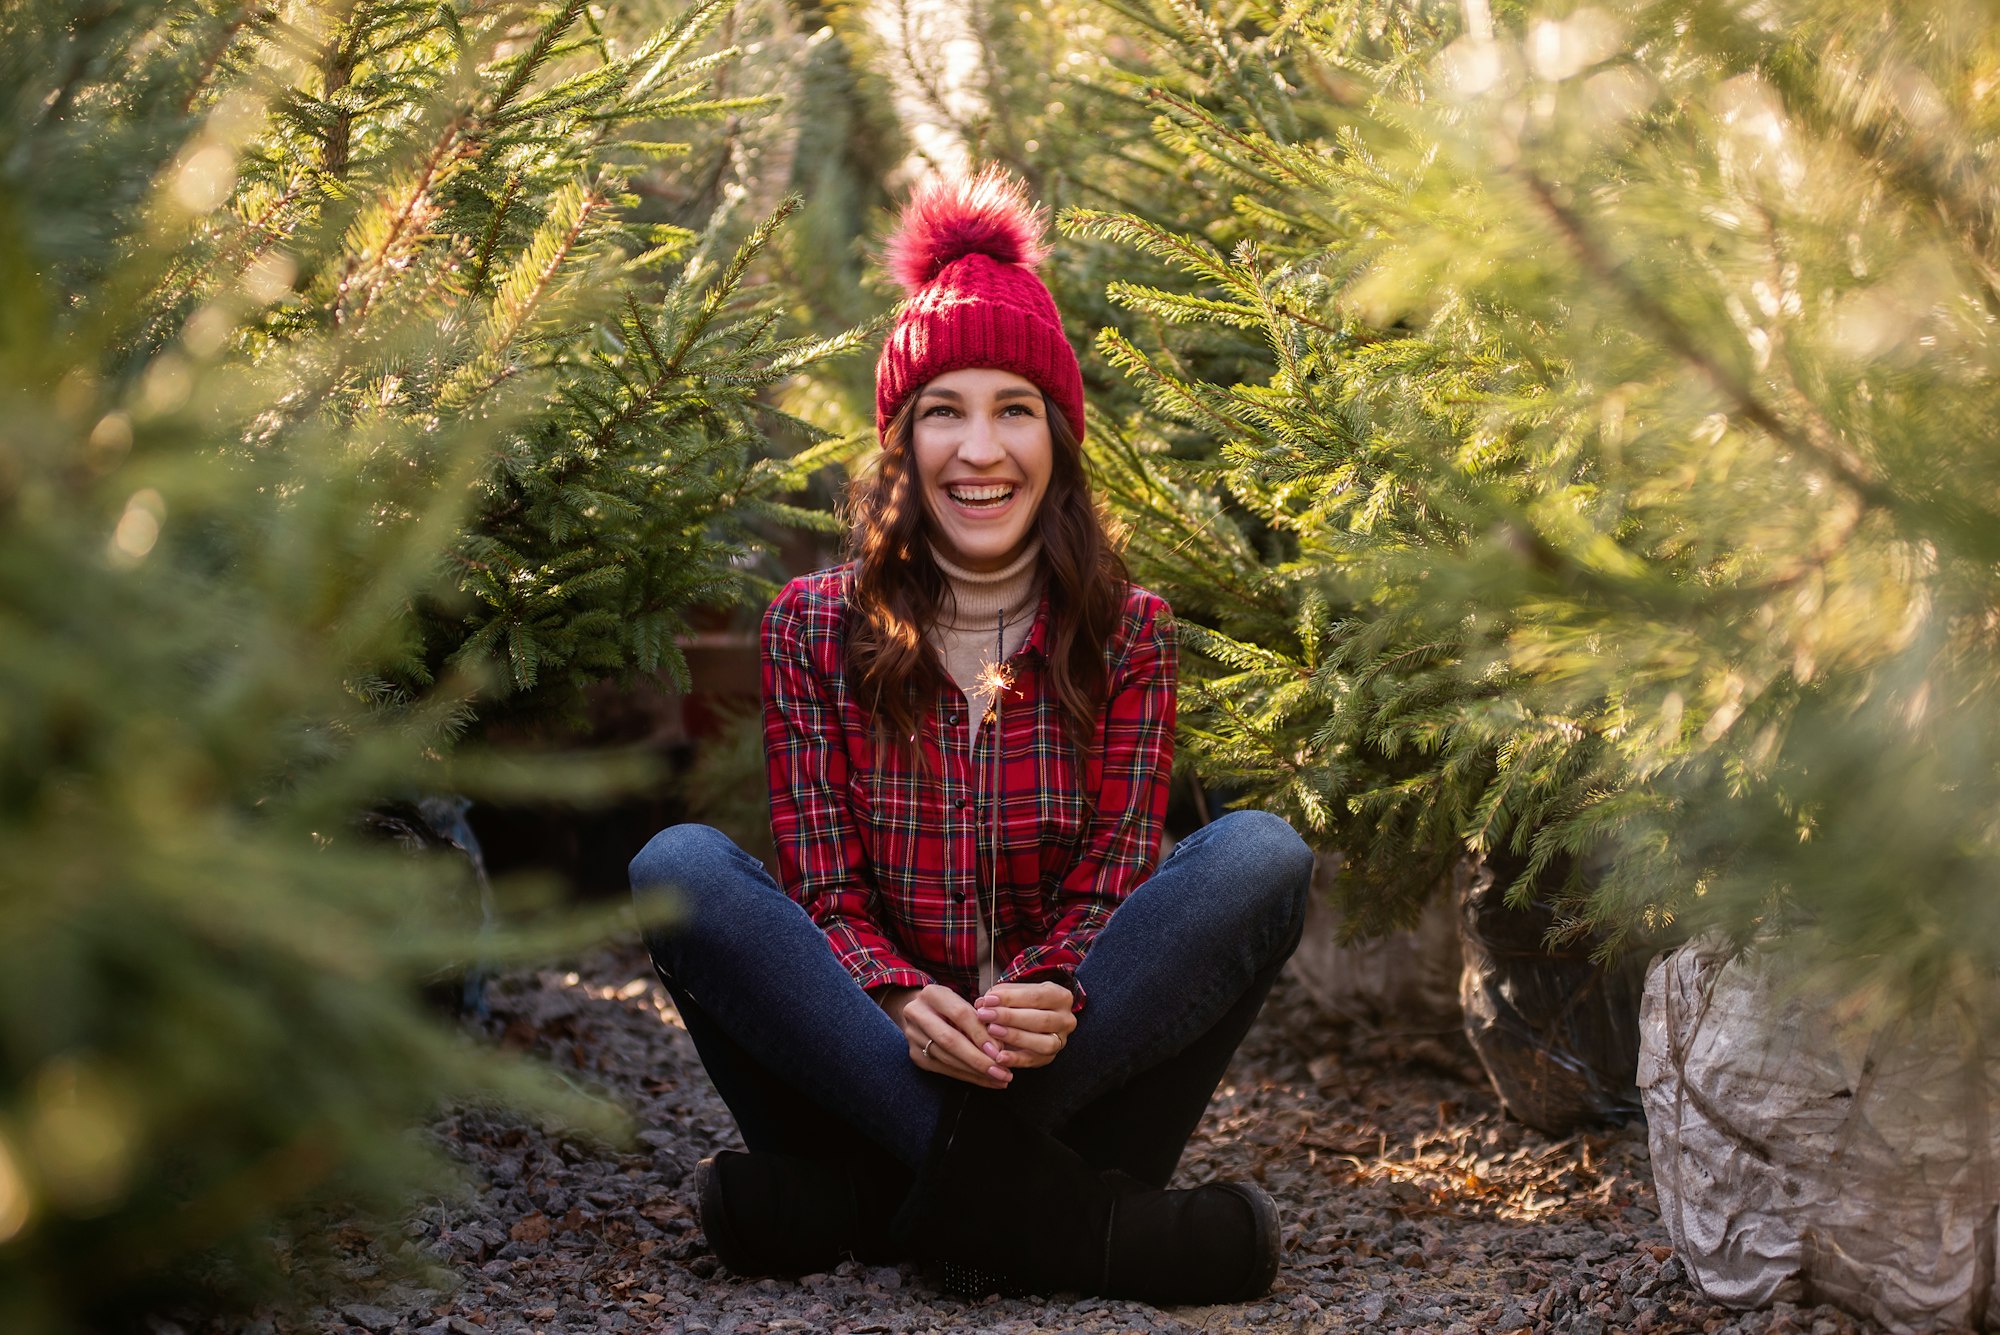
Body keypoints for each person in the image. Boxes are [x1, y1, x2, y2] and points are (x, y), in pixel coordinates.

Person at [629, 166, 1313, 1305]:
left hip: (1065, 1071)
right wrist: (898, 1001)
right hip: (866, 1065)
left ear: (1058, 437)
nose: (978, 449)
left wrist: (1052, 993)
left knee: (1260, 856)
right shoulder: (811, 627)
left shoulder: (1127, 633)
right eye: (942, 410)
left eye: (1013, 409)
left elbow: (1112, 882)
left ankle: (862, 1205)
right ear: (900, 441)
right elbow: (826, 892)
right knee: (677, 869)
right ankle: (1062, 1225)